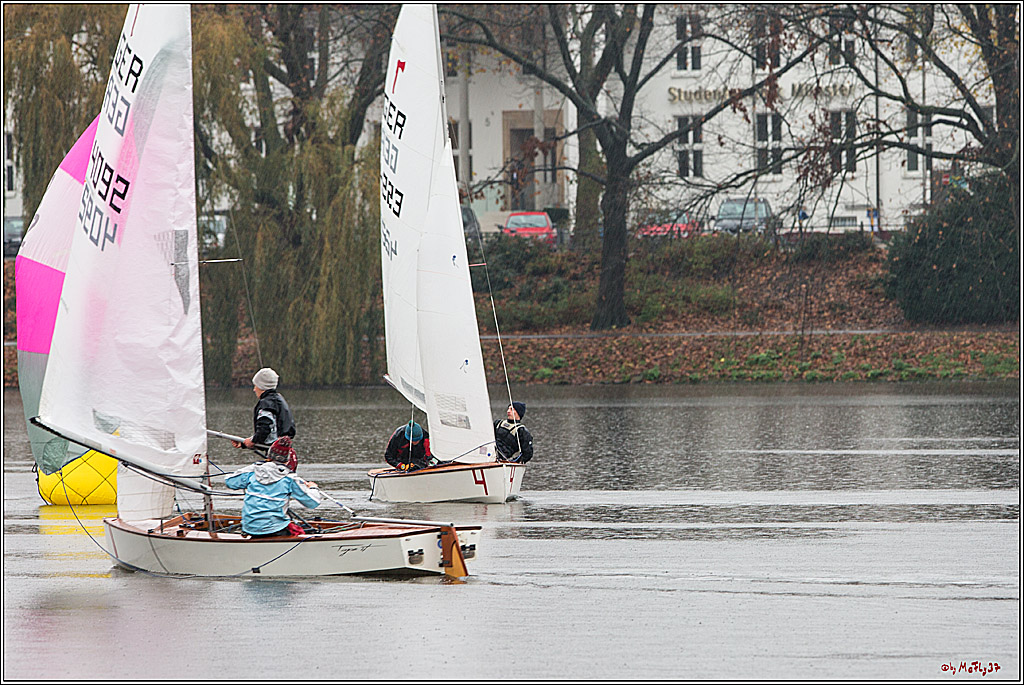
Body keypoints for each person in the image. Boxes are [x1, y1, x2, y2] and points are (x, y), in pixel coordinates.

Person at [224, 436, 321, 538]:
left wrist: (253, 467)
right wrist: (312, 487)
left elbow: (230, 481)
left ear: (269, 455)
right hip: (276, 529)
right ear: (288, 460)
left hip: (249, 527)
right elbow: (313, 503)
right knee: (299, 530)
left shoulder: (253, 471)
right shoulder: (289, 479)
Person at [232, 367, 295, 451]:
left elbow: (265, 428)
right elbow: (272, 431)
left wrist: (253, 441)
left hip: (275, 453)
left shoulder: (266, 404)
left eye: (256, 386)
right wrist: (244, 443)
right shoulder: (280, 400)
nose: (254, 389)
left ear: (262, 386)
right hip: (284, 451)